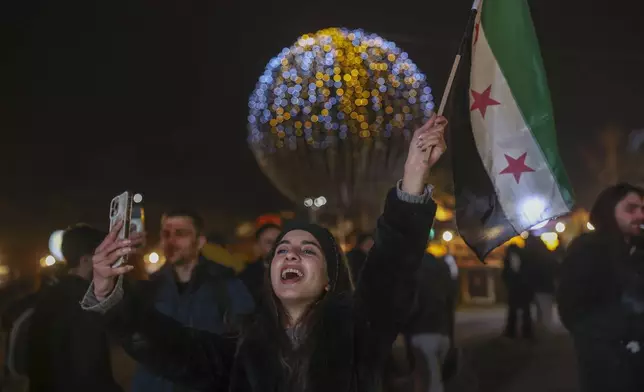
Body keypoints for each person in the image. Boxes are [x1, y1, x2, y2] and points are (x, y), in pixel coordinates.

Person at [81, 115, 447, 392]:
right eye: (282, 250)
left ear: (328, 280)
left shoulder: (357, 331)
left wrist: (414, 176)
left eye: (307, 250)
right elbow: (171, 347)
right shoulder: (248, 344)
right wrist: (107, 293)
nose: (289, 256)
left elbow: (391, 267)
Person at [131, 209, 255, 392]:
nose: (170, 241)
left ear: (199, 242)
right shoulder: (150, 288)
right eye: (166, 234)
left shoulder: (227, 286)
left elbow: (246, 350)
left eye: (180, 234)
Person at [557, 183, 644, 392]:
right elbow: (572, 308)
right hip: (607, 367)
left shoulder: (639, 250)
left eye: (643, 210)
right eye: (631, 209)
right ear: (609, 209)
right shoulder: (588, 249)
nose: (640, 216)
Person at [27, 224, 122, 392]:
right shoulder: (86, 303)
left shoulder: (48, 296)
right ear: (85, 260)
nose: (110, 262)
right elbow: (91, 374)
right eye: (103, 256)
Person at [405, 253, 458, 392]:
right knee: (434, 377)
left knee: (429, 381)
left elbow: (411, 304)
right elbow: (451, 300)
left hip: (421, 332)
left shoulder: (412, 271)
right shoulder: (442, 268)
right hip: (443, 331)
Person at [239, 223, 281, 305]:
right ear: (258, 246)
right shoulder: (247, 278)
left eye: (280, 241)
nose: (276, 246)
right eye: (269, 242)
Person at [501, 243, 534, 340]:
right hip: (522, 288)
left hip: (516, 288)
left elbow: (506, 274)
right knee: (524, 311)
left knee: (514, 311)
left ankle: (512, 332)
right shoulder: (524, 258)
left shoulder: (509, 259)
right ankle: (526, 332)